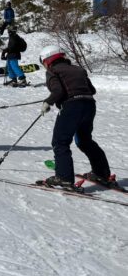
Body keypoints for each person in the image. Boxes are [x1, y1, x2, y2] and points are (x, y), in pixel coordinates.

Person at [37, 46, 115, 191]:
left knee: (60, 142)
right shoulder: (78, 69)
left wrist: (48, 102)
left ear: (47, 60)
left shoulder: (53, 71)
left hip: (72, 107)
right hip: (89, 105)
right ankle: (101, 173)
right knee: (85, 141)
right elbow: (92, 90)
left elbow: (58, 91)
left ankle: (64, 178)